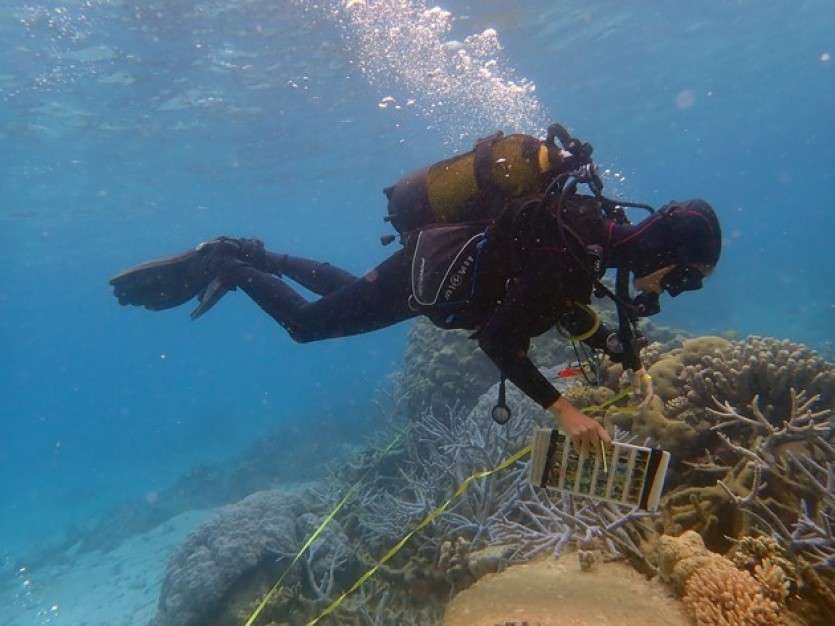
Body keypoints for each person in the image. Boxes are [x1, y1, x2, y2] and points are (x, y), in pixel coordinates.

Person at [110, 124, 721, 453]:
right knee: (307, 325)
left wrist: (613, 347)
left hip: (435, 272)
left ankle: (257, 254)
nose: (676, 290)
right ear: (668, 253)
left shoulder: (590, 238)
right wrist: (564, 411)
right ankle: (233, 264)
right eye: (685, 279)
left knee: (362, 294)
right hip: (434, 273)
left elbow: (560, 306)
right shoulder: (576, 249)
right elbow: (501, 340)